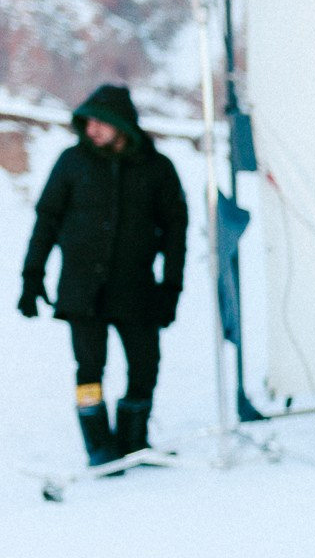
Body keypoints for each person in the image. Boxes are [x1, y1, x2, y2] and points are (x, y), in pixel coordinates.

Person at [19, 84, 188, 466]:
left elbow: (176, 231)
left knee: (145, 365)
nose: (91, 128)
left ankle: (133, 441)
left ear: (121, 124)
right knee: (89, 370)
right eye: (88, 121)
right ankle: (99, 447)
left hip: (137, 289)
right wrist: (32, 277)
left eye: (100, 121)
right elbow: (47, 220)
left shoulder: (157, 168)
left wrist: (171, 288)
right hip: (83, 290)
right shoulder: (71, 162)